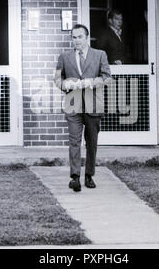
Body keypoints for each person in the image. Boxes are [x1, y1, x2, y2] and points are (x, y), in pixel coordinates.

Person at [53, 24, 112, 192]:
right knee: (74, 141)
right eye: (74, 37)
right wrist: (65, 84)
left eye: (80, 37)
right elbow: (57, 78)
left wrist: (91, 82)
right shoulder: (64, 56)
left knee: (91, 142)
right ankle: (75, 177)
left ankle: (89, 175)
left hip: (93, 104)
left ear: (87, 38)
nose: (76, 40)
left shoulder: (100, 55)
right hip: (73, 105)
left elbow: (107, 77)